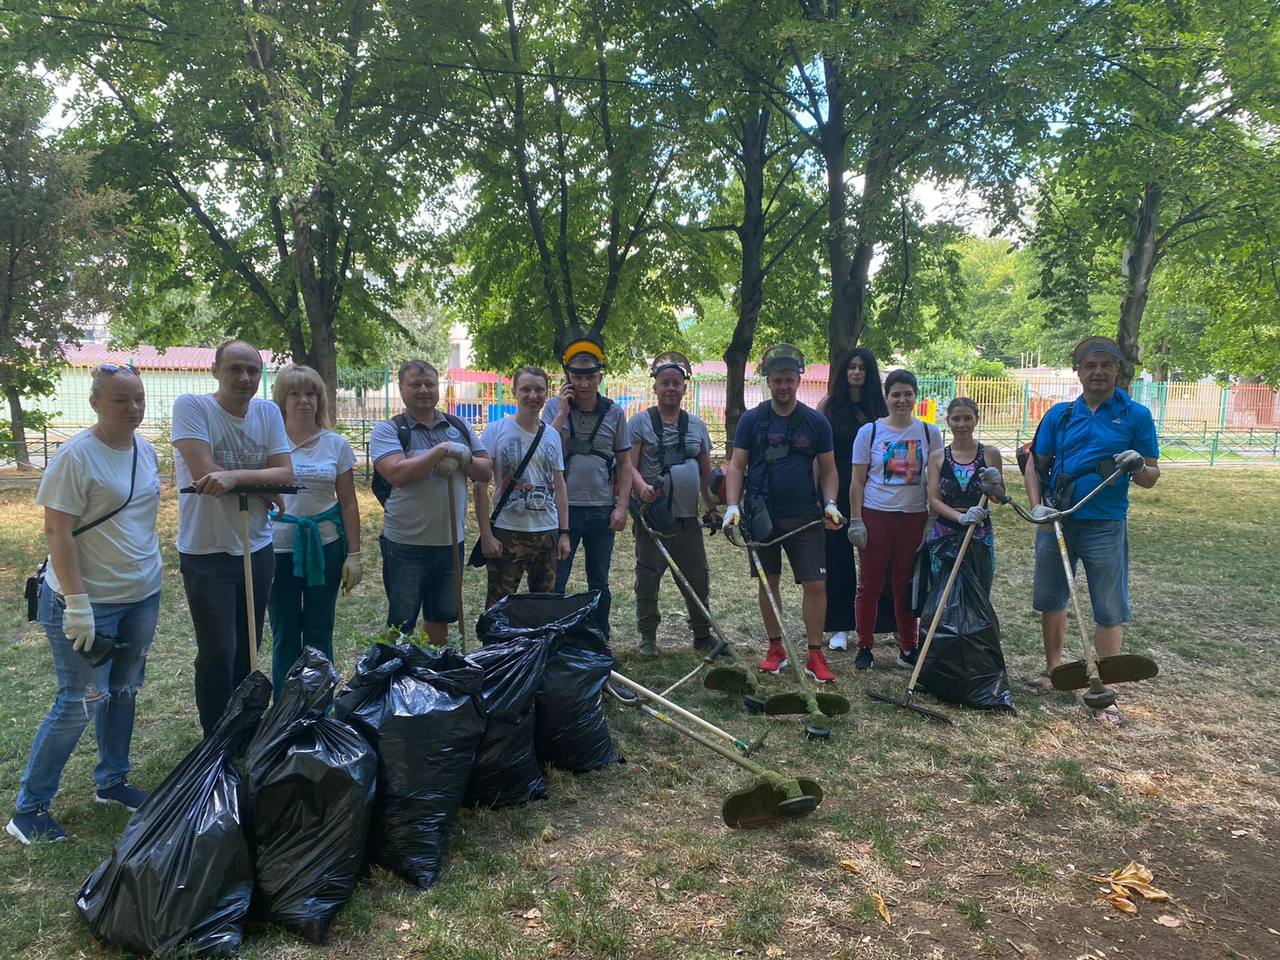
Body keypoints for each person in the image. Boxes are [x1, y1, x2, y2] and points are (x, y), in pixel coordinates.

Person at [8, 364, 162, 844]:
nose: (133, 408)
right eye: (121, 399)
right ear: (95, 403)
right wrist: (77, 603)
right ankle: (29, 809)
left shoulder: (146, 450)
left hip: (141, 595)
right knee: (79, 702)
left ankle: (112, 782)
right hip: (88, 601)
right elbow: (57, 532)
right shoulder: (75, 456)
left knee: (124, 690)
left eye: (138, 398)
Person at [1025, 336, 1160, 727]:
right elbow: (1035, 462)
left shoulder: (1136, 416)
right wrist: (1037, 506)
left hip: (1105, 523)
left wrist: (1139, 466)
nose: (1098, 372)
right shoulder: (1060, 415)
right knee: (1052, 598)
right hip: (1058, 520)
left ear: (1118, 369)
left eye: (1105, 365)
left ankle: (1105, 689)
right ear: (1079, 372)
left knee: (1108, 606)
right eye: (1090, 365)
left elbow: (1151, 476)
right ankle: (1054, 671)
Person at [173, 340, 293, 737]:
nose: (244, 378)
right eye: (235, 369)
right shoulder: (192, 407)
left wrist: (237, 478)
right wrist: (260, 485)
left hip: (256, 547)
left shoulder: (268, 412)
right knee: (217, 651)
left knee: (248, 645)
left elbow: (285, 474)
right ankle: (215, 736)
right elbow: (205, 474)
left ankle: (244, 728)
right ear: (215, 371)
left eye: (253, 370)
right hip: (205, 550)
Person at [721, 344, 845, 683]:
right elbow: (737, 465)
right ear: (768, 381)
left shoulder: (816, 422)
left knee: (816, 583)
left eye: (789, 379)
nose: (783, 386)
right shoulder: (752, 420)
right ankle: (775, 650)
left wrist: (831, 503)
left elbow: (829, 469)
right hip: (761, 514)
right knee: (768, 580)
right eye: (777, 380)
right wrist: (732, 505)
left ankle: (815, 655)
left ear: (799, 379)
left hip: (805, 515)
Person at [372, 360, 491, 642]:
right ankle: (396, 667)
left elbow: (485, 472)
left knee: (440, 617)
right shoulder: (389, 430)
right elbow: (397, 474)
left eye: (430, 384)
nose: (424, 390)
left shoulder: (458, 426)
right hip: (405, 544)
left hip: (450, 542)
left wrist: (464, 457)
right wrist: (441, 451)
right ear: (401, 389)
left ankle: (434, 665)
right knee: (400, 623)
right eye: (415, 384)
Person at [267, 364, 362, 697]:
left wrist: (354, 554)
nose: (303, 400)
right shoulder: (270, 443)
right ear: (282, 399)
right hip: (277, 549)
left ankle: (319, 704)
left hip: (325, 547)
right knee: (285, 631)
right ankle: (284, 707)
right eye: (294, 393)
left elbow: (348, 502)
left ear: (320, 399)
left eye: (311, 393)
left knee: (319, 628)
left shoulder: (335, 445)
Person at [847, 369, 944, 672]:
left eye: (908, 394)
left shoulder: (929, 433)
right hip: (876, 515)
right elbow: (857, 481)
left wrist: (931, 520)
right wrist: (856, 520)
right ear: (886, 397)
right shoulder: (870, 432)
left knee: (906, 584)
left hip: (913, 518)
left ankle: (908, 646)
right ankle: (865, 645)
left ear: (916, 396)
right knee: (870, 584)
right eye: (896, 394)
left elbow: (936, 481)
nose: (902, 400)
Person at [628, 352, 720, 657]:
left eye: (676, 383)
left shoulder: (697, 426)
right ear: (655, 387)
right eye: (665, 383)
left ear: (684, 388)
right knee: (647, 578)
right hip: (653, 520)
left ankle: (702, 635)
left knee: (697, 576)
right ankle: (648, 637)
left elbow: (706, 472)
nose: (670, 388)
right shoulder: (639, 423)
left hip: (687, 519)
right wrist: (641, 488)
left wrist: (712, 508)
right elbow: (628, 466)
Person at [544, 336, 633, 639]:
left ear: (600, 377)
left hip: (601, 509)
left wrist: (622, 507)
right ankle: (552, 640)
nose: (583, 384)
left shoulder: (614, 413)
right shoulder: (553, 409)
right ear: (568, 377)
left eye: (590, 377)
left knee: (599, 581)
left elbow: (625, 463)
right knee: (556, 581)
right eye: (577, 377)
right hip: (562, 511)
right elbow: (542, 447)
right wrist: (562, 414)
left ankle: (599, 638)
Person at [818, 347, 897, 652]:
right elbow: (819, 454)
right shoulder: (829, 405)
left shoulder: (881, 407)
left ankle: (886, 622)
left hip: (874, 492)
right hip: (836, 491)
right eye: (851, 367)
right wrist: (818, 495)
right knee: (837, 560)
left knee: (880, 560)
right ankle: (839, 626)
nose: (856, 372)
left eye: (862, 368)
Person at [476, 367, 570, 608]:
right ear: (514, 392)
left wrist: (564, 533)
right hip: (507, 532)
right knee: (498, 606)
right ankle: (497, 637)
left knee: (544, 605)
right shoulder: (496, 430)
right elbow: (480, 485)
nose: (533, 395)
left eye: (539, 390)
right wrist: (486, 535)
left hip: (546, 532)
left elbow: (559, 485)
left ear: (547, 393)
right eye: (526, 389)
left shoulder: (552, 435)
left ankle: (536, 637)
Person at [926, 397, 1005, 578]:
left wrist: (995, 484)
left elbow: (999, 498)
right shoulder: (937, 457)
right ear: (948, 421)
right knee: (944, 589)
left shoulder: (991, 454)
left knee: (979, 587)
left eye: (968, 418)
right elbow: (934, 500)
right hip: (944, 533)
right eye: (956, 419)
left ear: (977, 419)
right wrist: (961, 517)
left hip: (979, 533)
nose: (962, 424)